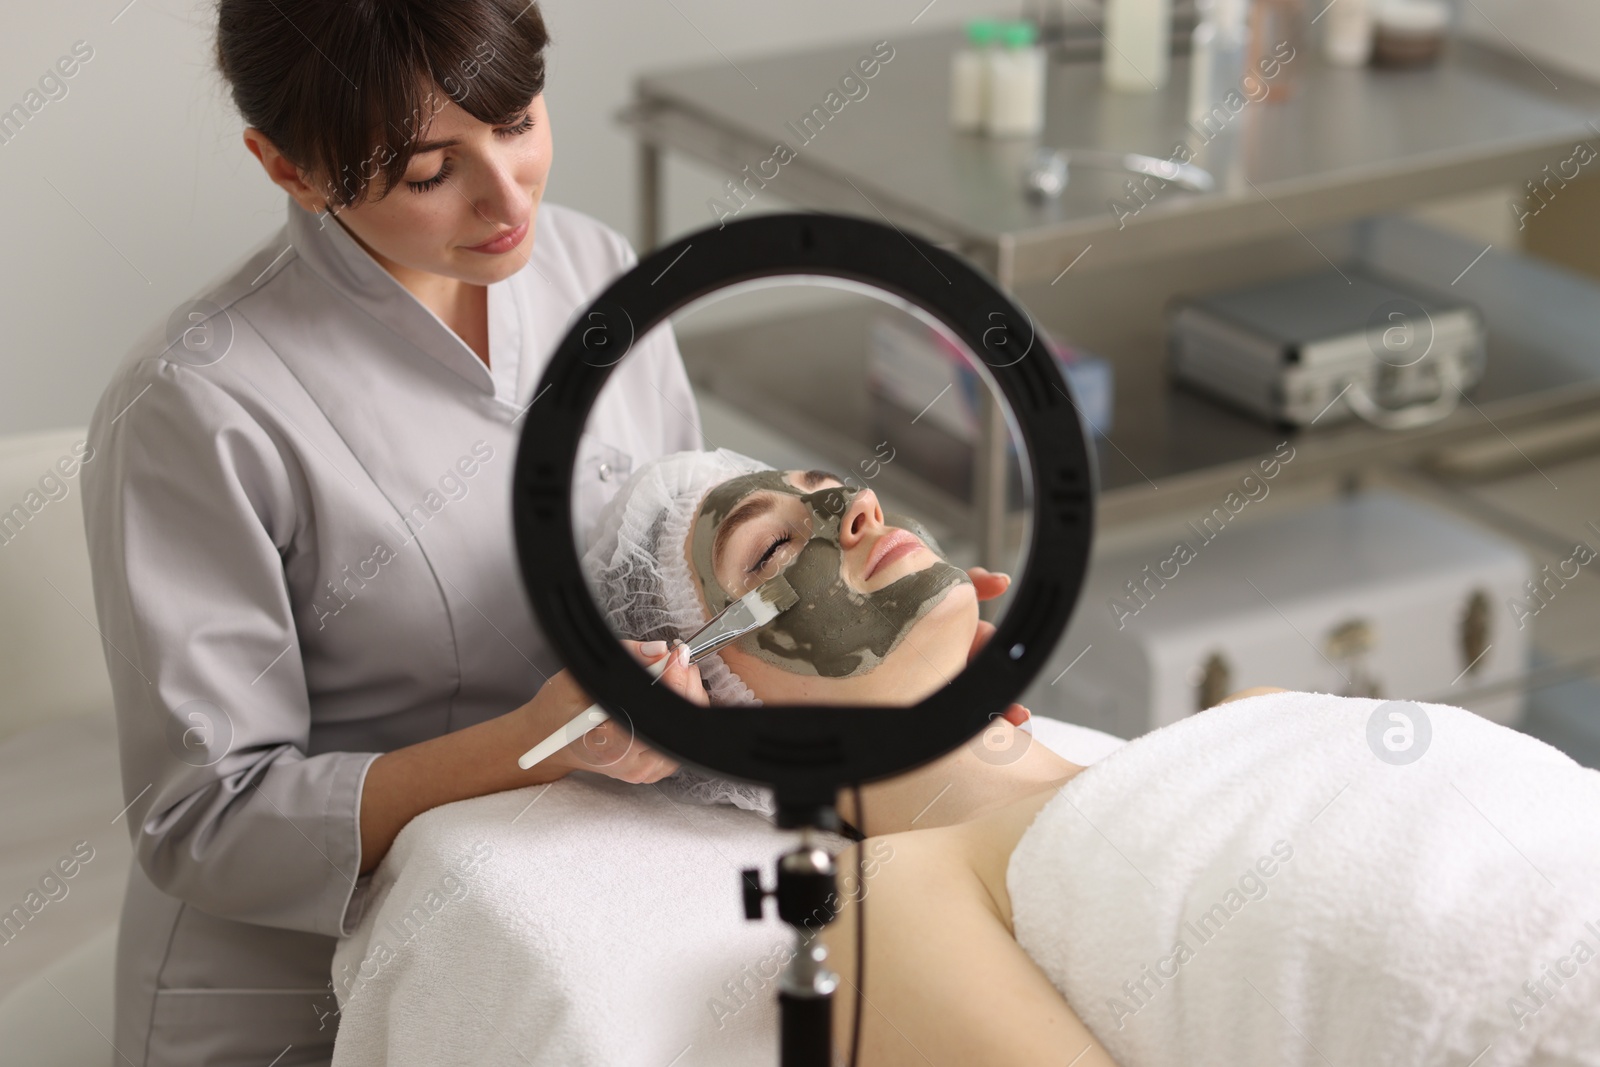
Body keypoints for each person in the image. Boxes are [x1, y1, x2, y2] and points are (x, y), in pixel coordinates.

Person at [82, 3, 711, 1062]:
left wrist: (866, 628)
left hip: (575, 912)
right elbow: (203, 819)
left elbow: (681, 554)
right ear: (288, 168)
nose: (509, 196)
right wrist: (533, 744)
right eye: (429, 173)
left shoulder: (596, 267)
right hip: (300, 992)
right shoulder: (197, 405)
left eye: (515, 122)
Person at [585, 449, 1600, 1067]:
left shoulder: (1256, 709)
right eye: (767, 552)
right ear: (722, 707)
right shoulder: (878, 901)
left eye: (830, 487)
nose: (857, 508)